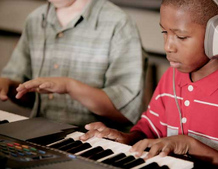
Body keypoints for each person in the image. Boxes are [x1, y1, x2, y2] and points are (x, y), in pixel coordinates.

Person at [79, 0, 218, 168]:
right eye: (165, 32)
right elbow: (149, 130)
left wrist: (190, 145)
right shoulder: (172, 76)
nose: (168, 46)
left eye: (181, 36)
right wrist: (125, 138)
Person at [0, 0, 146, 131]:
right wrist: (9, 86)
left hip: (93, 141)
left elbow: (127, 112)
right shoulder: (35, 19)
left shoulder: (118, 23)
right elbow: (28, 95)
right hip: (41, 132)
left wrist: (70, 87)